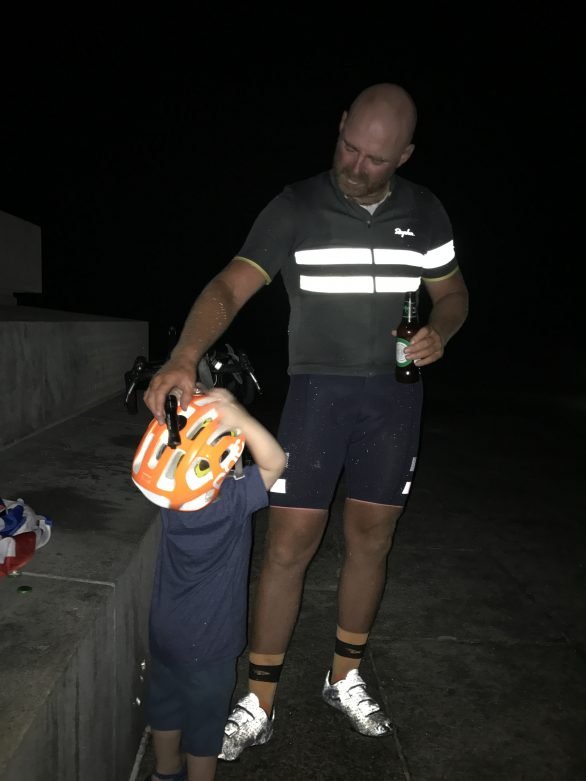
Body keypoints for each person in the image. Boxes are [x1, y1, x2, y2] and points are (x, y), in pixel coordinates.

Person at [143, 82, 469, 760]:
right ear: (342, 124)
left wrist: (441, 329)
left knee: (372, 538)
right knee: (289, 544)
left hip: (394, 400)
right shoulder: (295, 205)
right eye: (348, 147)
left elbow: (453, 292)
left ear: (404, 155)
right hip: (317, 397)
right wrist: (183, 356)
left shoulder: (426, 211)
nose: (355, 166)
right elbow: (231, 284)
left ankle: (344, 675)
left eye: (375, 159)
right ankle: (259, 698)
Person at [140, 387, 286, 781]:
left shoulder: (169, 502)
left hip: (165, 632)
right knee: (205, 726)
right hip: (212, 643)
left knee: (165, 705)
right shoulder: (233, 500)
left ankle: (165, 772)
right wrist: (238, 417)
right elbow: (276, 460)